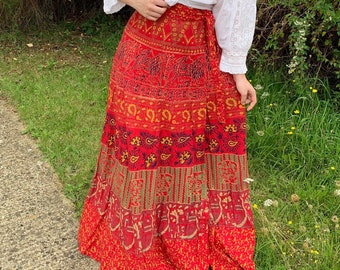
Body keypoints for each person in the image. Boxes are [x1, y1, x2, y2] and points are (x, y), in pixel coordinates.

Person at [78, 0, 257, 269]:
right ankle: (138, 234)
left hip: (196, 53)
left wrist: (238, 72)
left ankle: (179, 232)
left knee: (186, 145)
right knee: (141, 147)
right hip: (141, 51)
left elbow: (236, 6)